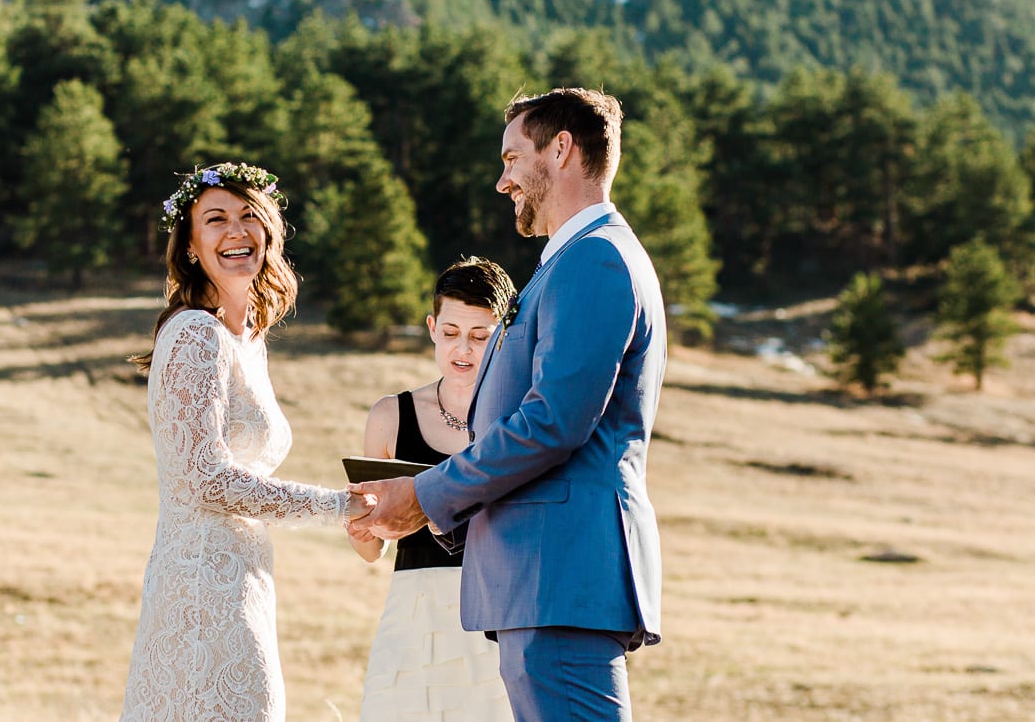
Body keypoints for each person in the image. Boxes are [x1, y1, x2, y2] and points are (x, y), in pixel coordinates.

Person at [348, 88, 667, 721]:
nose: (503, 181)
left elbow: (552, 423)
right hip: (540, 578)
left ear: (561, 149)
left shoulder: (595, 260)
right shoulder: (572, 262)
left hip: (560, 573)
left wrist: (425, 494)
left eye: (512, 158)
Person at [119, 162, 372, 722]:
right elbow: (204, 478)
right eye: (215, 220)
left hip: (242, 577)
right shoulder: (196, 334)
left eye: (249, 216)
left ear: (270, 232)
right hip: (202, 589)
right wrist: (338, 505)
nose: (236, 231)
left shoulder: (245, 338)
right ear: (189, 244)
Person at [350, 257, 517, 722]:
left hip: (499, 614)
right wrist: (362, 528)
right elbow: (370, 552)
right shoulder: (390, 415)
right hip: (414, 616)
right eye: (450, 333)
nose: (462, 349)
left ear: (504, 334)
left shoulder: (523, 422)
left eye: (480, 336)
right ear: (431, 326)